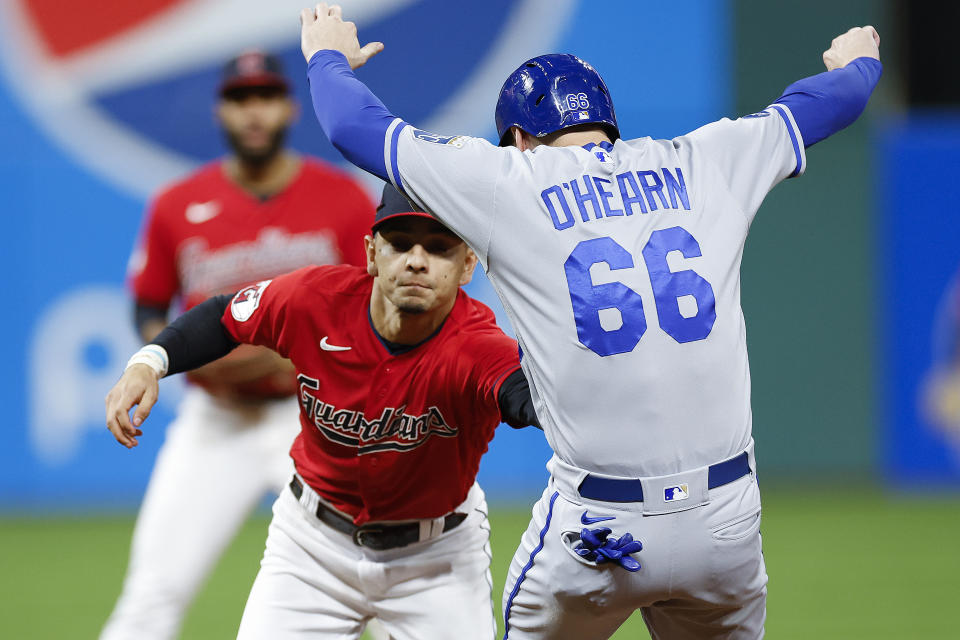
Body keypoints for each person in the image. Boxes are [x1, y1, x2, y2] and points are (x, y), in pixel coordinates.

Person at [297, 5, 882, 638]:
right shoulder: (706, 158)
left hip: (602, 526)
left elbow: (351, 124)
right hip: (726, 519)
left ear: (519, 138)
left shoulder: (506, 181)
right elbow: (836, 100)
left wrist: (326, 55)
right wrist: (860, 61)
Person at [106, 184, 540, 639]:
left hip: (436, 562)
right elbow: (223, 316)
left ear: (468, 264)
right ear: (371, 254)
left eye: (438, 247)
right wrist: (149, 362)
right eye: (399, 244)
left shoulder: (478, 347)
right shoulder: (315, 299)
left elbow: (530, 399)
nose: (416, 260)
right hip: (310, 551)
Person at [101, 49, 376, 640]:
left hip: (316, 420)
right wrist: (176, 356)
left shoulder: (343, 199)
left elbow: (371, 306)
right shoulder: (177, 204)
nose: (254, 112)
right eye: (240, 98)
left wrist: (302, 353)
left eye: (266, 96)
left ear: (288, 106)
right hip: (216, 422)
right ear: (221, 110)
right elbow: (149, 305)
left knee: (365, 587)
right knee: (151, 595)